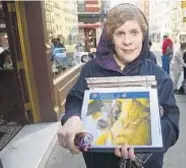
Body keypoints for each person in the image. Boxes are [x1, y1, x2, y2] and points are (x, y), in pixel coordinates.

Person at [57, 3, 179, 168]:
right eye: (120, 33)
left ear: (143, 35)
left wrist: (141, 142)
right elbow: (76, 100)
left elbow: (171, 124)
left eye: (134, 32)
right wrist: (72, 117)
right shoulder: (91, 70)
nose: (127, 41)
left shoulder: (159, 77)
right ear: (110, 38)